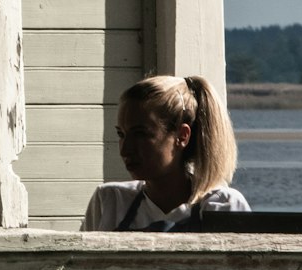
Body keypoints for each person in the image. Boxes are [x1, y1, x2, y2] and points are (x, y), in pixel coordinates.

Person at [82, 74, 251, 231]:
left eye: (141, 134)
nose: (125, 149)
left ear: (182, 136)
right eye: (121, 134)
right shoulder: (110, 201)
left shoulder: (221, 205)